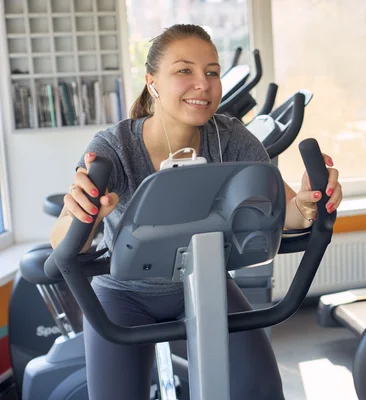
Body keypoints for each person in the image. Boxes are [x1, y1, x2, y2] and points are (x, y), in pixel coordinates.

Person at [49, 24, 343, 400]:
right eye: (184, 70)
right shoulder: (115, 145)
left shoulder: (230, 136)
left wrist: (309, 203)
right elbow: (63, 240)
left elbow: (287, 209)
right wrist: (83, 218)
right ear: (152, 81)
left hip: (206, 282)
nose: (203, 83)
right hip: (123, 293)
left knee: (261, 389)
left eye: (212, 72)